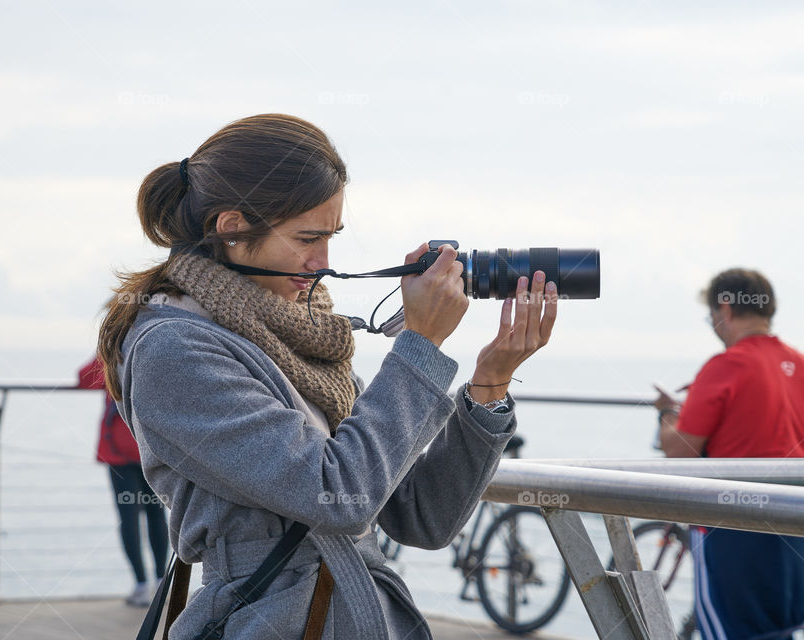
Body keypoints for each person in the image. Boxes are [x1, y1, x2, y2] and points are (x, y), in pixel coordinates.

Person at [97, 113, 557, 639]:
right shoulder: (175, 350)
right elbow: (337, 494)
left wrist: (489, 385)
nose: (323, 263)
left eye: (331, 236)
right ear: (231, 229)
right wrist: (422, 346)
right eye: (308, 238)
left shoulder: (301, 340)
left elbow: (422, 516)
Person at [655, 268, 804, 640]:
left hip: (737, 528)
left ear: (725, 309)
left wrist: (668, 413)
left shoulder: (725, 365)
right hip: (795, 523)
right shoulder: (798, 364)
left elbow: (678, 450)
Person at [77, 355, 170, 607]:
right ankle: (162, 582)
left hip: (119, 452)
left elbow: (83, 378)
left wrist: (105, 351)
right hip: (151, 447)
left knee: (128, 517)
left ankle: (141, 585)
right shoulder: (154, 353)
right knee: (156, 513)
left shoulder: (113, 355)